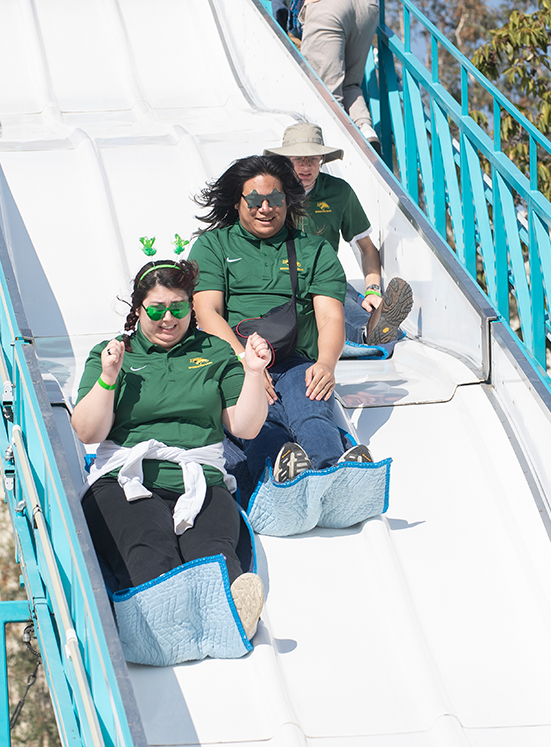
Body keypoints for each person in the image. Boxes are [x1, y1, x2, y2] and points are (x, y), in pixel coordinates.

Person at [72, 259, 272, 640]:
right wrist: (108, 377)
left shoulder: (214, 351)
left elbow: (246, 426)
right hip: (126, 480)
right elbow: (86, 431)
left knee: (212, 551)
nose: (169, 318)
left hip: (200, 479)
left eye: (178, 308)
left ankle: (229, 615)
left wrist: (253, 372)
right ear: (137, 310)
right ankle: (162, 623)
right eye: (157, 309)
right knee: (149, 547)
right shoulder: (114, 353)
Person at [189, 154, 373, 484]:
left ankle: (334, 471)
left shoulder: (313, 249)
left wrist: (327, 365)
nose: (265, 208)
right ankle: (278, 474)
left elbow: (331, 317)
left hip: (294, 358)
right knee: (262, 417)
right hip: (236, 358)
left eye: (274, 199)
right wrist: (246, 362)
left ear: (287, 201)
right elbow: (207, 312)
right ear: (237, 202)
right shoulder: (213, 246)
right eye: (255, 199)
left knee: (311, 407)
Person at [265, 122, 412, 347]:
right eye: (298, 158)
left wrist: (373, 290)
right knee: (308, 313)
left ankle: (372, 329)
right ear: (285, 161)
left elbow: (367, 248)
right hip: (282, 278)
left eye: (313, 158)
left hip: (324, 277)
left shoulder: (339, 192)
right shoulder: (270, 193)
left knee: (343, 302)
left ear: (322, 160)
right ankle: (365, 334)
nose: (306, 165)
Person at [298, 0, 381, 149]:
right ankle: (364, 126)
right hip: (367, 8)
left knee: (323, 86)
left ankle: (337, 139)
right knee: (350, 83)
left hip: (328, 6)